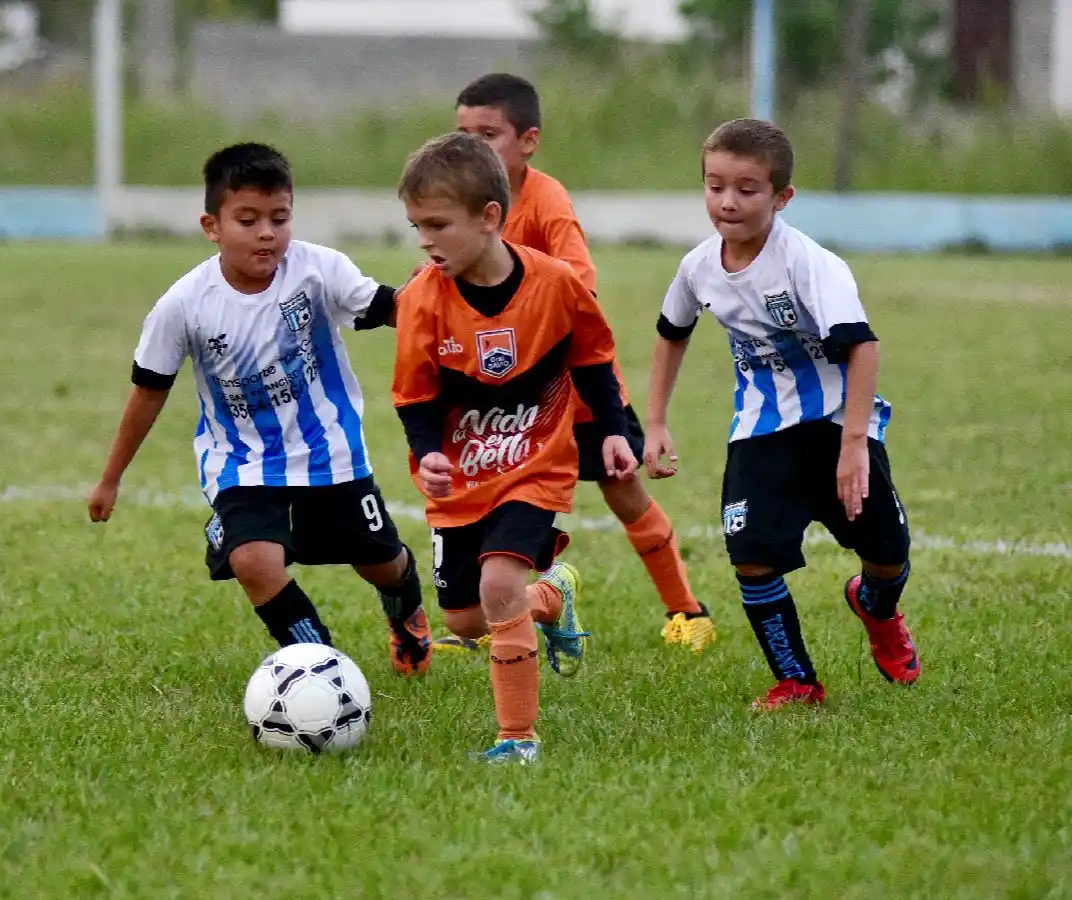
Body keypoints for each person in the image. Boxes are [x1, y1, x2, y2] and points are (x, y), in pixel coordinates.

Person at [87, 142, 432, 676]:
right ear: (212, 225)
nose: (267, 232)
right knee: (253, 559)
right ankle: (321, 666)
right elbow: (149, 390)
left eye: (280, 218)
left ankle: (406, 610)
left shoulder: (316, 270)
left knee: (380, 562)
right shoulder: (184, 304)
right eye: (248, 220)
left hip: (329, 451)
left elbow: (388, 309)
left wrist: (428, 292)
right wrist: (111, 478)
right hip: (243, 461)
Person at [644, 118, 920, 710]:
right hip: (761, 430)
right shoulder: (698, 267)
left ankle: (875, 606)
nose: (728, 201)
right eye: (715, 186)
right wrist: (657, 421)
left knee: (888, 555)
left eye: (747, 189)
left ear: (781, 196)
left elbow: (862, 346)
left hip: (836, 426)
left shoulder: (809, 264)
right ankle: (797, 681)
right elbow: (671, 332)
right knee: (751, 556)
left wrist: (853, 446)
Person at [442, 73, 714, 653]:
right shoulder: (453, 208)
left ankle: (688, 609)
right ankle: (502, 610)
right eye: (462, 133)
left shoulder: (545, 201)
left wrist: (510, 305)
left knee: (622, 487)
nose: (471, 147)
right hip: (498, 395)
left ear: (529, 141)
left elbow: (578, 283)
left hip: (572, 383)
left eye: (488, 134)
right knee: (496, 496)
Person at [392, 132, 637, 763]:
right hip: (465, 477)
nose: (426, 240)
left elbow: (594, 361)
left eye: (439, 225)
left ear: (490, 217)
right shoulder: (421, 298)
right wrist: (431, 453)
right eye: (417, 225)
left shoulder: (555, 285)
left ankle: (517, 739)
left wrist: (611, 427)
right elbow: (414, 396)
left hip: (535, 464)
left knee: (499, 583)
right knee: (466, 620)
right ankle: (550, 598)